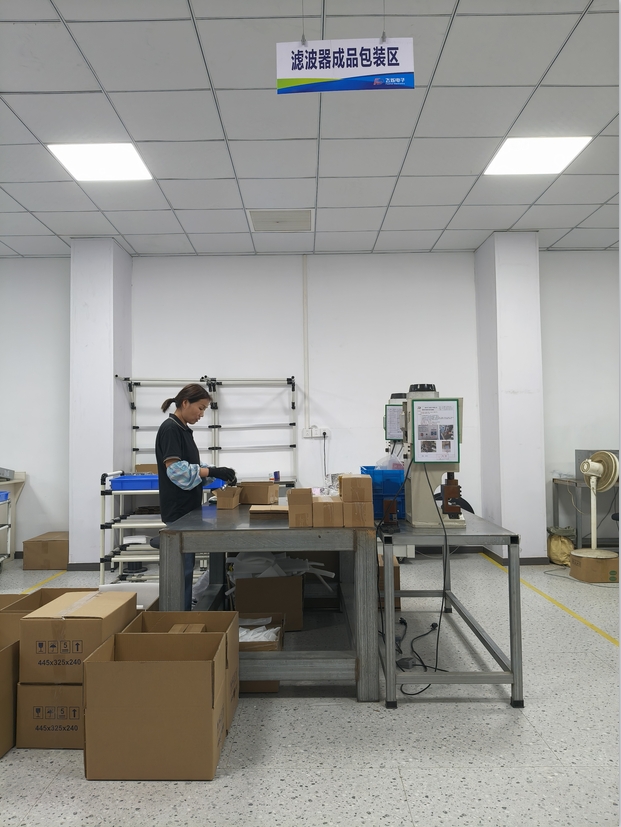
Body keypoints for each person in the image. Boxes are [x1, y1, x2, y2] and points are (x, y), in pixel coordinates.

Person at [155, 383, 236, 610]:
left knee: (187, 567)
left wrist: (217, 474)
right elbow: (177, 471)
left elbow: (192, 468)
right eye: (200, 408)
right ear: (185, 403)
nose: (201, 414)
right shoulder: (170, 429)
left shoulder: (183, 430)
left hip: (187, 509)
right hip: (178, 511)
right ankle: (178, 616)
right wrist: (212, 472)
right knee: (182, 568)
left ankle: (185, 611)